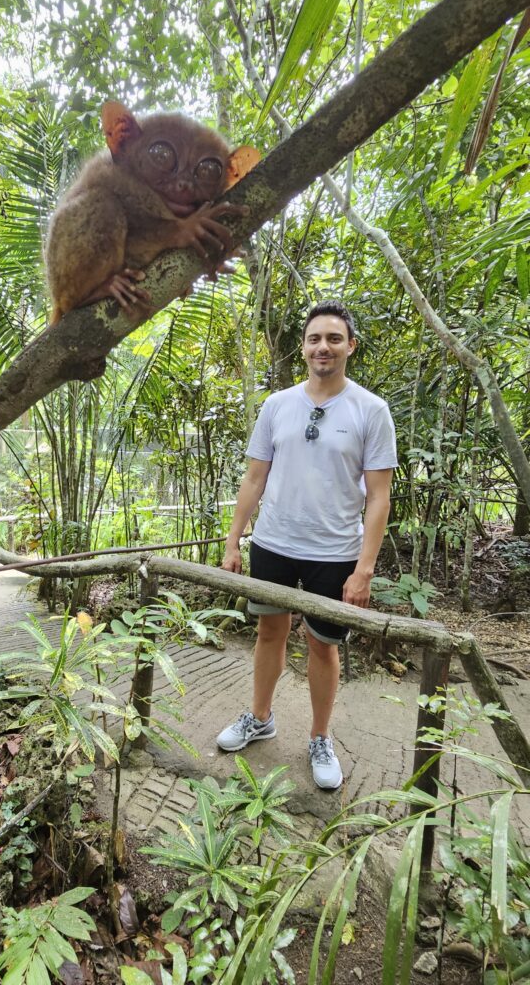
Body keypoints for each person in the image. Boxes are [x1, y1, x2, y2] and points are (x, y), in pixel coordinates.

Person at [216, 302, 397, 789]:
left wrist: (363, 570)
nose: (323, 347)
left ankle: (319, 737)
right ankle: (260, 717)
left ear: (350, 346)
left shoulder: (370, 410)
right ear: (303, 347)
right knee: (269, 633)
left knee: (323, 645)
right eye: (315, 338)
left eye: (334, 339)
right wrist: (234, 541)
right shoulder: (277, 405)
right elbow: (255, 478)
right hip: (274, 543)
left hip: (335, 552)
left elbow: (379, 496)